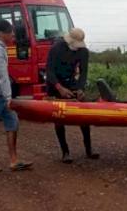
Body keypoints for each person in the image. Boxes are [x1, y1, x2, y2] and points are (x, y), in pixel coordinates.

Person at [0, 19, 33, 173]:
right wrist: (9, 98)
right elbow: (2, 76)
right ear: (1, 34)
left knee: (13, 123)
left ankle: (14, 161)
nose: (13, 35)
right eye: (10, 32)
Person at [46, 28, 99, 163]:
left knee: (83, 116)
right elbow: (49, 71)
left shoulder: (83, 52)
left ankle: (89, 150)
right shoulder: (56, 48)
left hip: (71, 81)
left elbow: (84, 72)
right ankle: (65, 152)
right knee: (59, 118)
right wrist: (60, 88)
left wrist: (80, 88)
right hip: (55, 83)